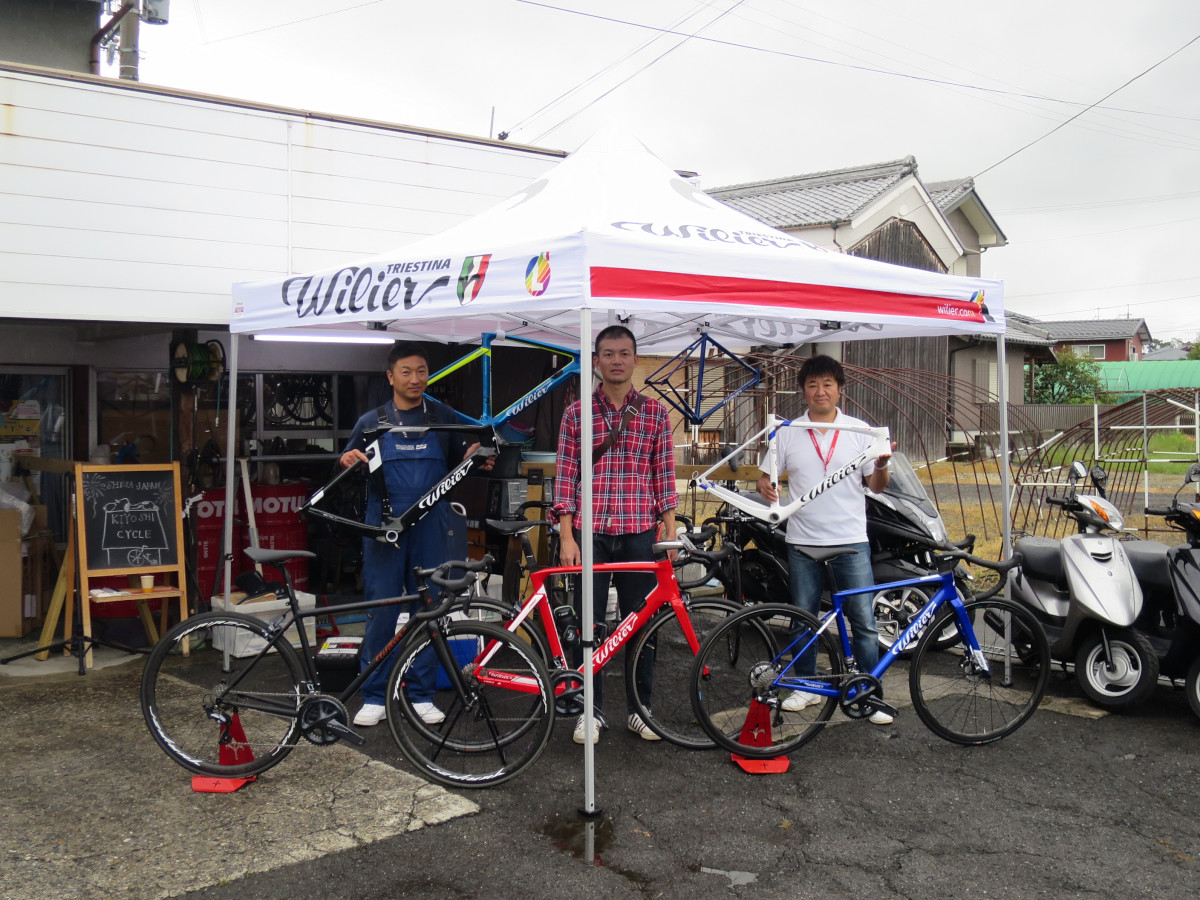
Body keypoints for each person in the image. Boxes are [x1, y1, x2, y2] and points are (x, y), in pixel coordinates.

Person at [340, 341, 490, 728]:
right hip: (385, 527)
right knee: (383, 610)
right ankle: (374, 695)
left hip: (432, 526)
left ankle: (421, 694)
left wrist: (479, 451)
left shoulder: (444, 416)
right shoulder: (371, 422)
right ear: (390, 377)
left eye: (421, 371)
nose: (415, 379)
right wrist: (347, 459)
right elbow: (346, 464)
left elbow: (476, 448)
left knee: (431, 610)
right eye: (406, 372)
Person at [553, 325, 678, 745]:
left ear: (635, 359)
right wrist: (566, 535)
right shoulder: (576, 413)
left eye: (624, 353)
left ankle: (639, 710)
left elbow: (664, 474)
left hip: (641, 532)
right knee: (588, 624)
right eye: (608, 353)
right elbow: (565, 477)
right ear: (596, 360)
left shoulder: (656, 414)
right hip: (591, 533)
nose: (617, 361)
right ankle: (591, 710)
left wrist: (671, 530)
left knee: (641, 624)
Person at [756, 354, 894, 725]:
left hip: (851, 540)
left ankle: (870, 691)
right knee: (803, 619)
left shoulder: (859, 431)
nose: (820, 391)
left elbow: (876, 486)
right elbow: (765, 476)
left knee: (863, 620)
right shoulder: (788, 430)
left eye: (827, 384)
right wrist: (767, 484)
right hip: (802, 541)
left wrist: (881, 465)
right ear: (803, 390)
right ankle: (805, 687)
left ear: (840, 389)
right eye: (813, 385)